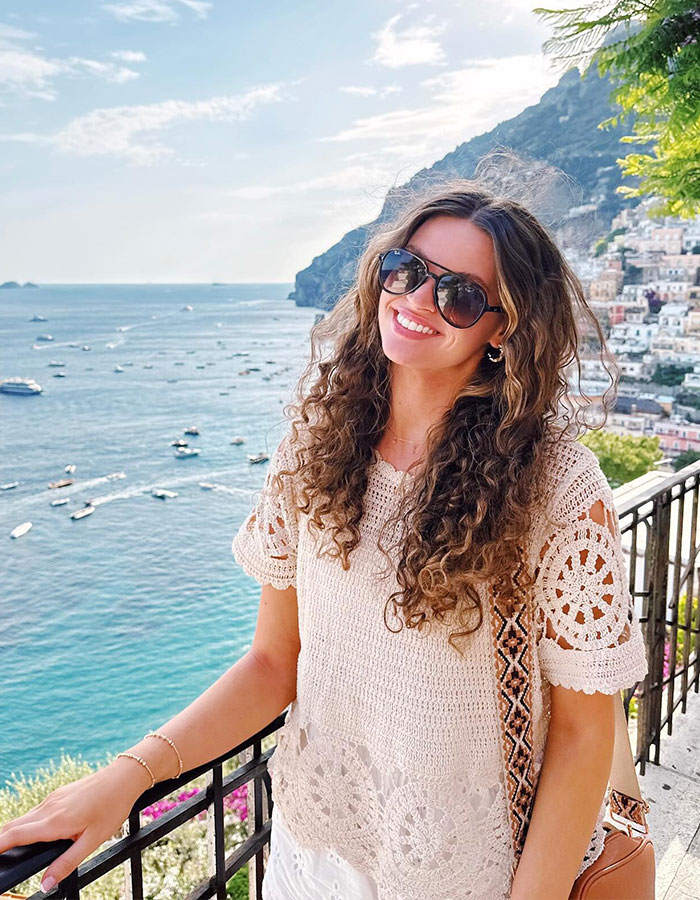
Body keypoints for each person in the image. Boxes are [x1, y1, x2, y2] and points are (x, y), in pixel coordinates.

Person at [0, 174, 649, 900]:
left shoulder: (557, 487)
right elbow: (275, 662)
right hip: (313, 855)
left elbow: (585, 734)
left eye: (459, 294)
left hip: (473, 873)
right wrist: (128, 776)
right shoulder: (316, 444)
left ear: (502, 327)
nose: (417, 301)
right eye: (407, 272)